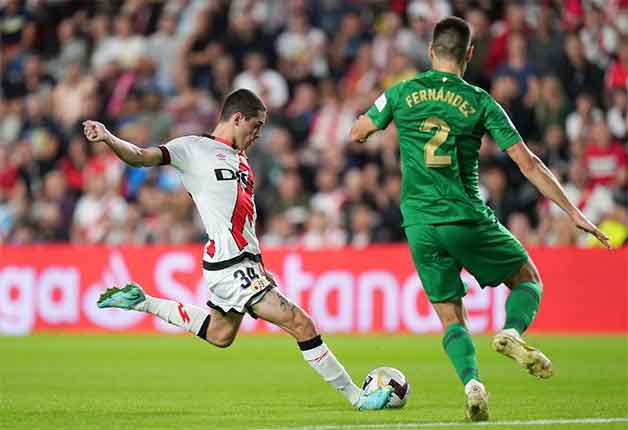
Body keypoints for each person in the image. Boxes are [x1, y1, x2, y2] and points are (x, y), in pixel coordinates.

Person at [350, 17, 610, 422]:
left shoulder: (401, 92)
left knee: (450, 315)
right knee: (527, 279)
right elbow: (528, 163)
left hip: (418, 224)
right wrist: (573, 212)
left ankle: (472, 384)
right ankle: (511, 331)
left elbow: (358, 131)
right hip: (465, 216)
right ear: (469, 55)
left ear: (431, 50)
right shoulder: (480, 101)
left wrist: (373, 124)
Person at [83, 89, 391, 411]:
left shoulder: (242, 160)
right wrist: (108, 138)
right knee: (301, 324)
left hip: (244, 262)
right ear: (237, 118)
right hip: (231, 264)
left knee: (220, 334)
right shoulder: (192, 148)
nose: (257, 134)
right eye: (255, 126)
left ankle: (143, 301)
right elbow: (140, 156)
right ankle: (358, 398)